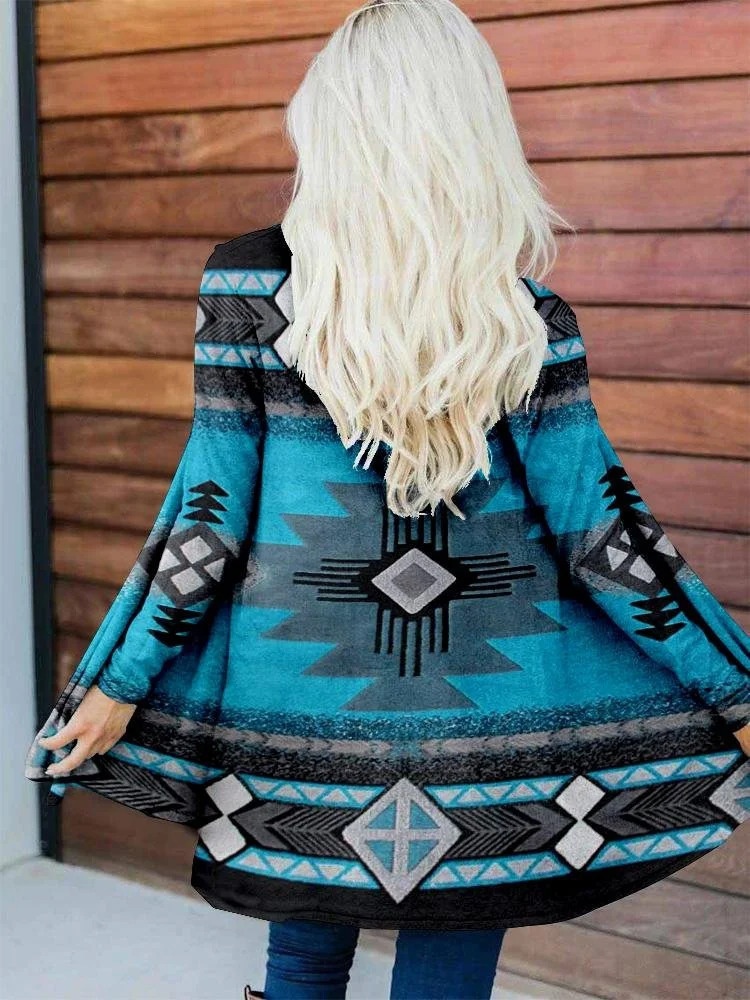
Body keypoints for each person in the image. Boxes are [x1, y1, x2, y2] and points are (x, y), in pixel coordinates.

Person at [26, 2, 749, 999]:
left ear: (330, 120)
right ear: (472, 125)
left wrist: (115, 679)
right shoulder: (523, 318)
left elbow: (209, 513)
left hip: (297, 714)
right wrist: (735, 689)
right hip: (492, 729)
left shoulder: (248, 288)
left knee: (301, 968)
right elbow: (605, 534)